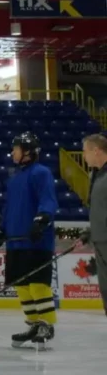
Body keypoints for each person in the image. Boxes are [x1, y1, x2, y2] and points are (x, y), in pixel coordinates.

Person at [0, 131, 58, 349]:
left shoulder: (41, 173)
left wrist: (42, 219)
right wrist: (0, 231)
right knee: (22, 285)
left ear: (27, 152)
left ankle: (46, 325)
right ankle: (34, 323)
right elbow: (10, 209)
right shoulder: (15, 180)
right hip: (15, 241)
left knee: (37, 283)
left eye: (15, 148)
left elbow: (48, 199)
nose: (12, 152)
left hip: (36, 240)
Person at [77, 133, 107, 315]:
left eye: (85, 151)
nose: (84, 156)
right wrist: (89, 232)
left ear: (96, 151)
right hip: (100, 240)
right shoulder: (95, 175)